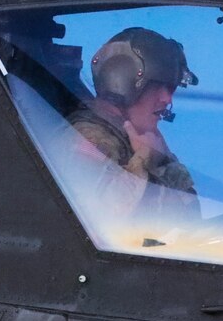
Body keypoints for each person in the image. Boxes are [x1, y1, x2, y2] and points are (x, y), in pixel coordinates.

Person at [65, 26, 201, 223]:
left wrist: (159, 159)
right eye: (160, 87)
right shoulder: (88, 138)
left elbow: (190, 215)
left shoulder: (140, 138)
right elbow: (100, 217)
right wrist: (144, 159)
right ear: (123, 81)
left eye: (171, 89)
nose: (167, 99)